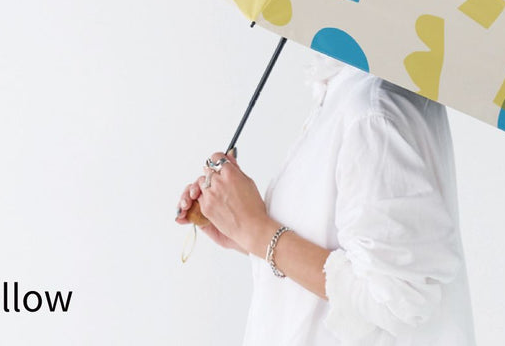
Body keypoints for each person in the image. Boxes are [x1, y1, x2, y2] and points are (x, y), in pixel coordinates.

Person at [175, 50, 477, 345]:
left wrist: (257, 231)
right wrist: (242, 230)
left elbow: (399, 297)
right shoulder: (346, 90)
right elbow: (339, 246)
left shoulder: (371, 111)